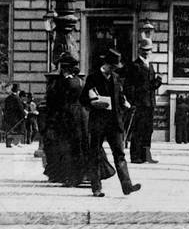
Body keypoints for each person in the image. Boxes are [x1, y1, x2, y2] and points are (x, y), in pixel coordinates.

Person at [81, 49, 141, 198]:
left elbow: (120, 97)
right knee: (94, 154)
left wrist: (126, 103)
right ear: (106, 64)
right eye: (113, 66)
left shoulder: (116, 78)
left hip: (114, 122)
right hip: (98, 122)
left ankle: (127, 186)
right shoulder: (93, 77)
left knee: (120, 155)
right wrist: (93, 103)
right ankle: (96, 188)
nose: (114, 69)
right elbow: (83, 99)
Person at [43, 53, 88, 187]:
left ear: (64, 68)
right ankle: (83, 174)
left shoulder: (64, 82)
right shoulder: (80, 81)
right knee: (80, 145)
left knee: (66, 147)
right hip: (80, 115)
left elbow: (55, 101)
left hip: (67, 116)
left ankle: (69, 176)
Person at [121, 37, 163, 164]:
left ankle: (146, 156)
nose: (146, 52)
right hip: (139, 103)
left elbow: (150, 86)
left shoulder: (149, 65)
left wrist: (157, 83)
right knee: (138, 130)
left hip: (149, 103)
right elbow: (130, 86)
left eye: (148, 50)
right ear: (139, 50)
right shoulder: (135, 66)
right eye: (144, 50)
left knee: (148, 130)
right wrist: (132, 102)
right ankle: (135, 156)